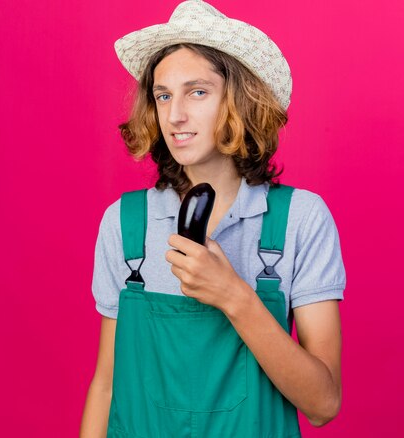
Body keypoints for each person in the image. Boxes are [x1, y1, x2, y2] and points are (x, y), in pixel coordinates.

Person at [80, 1, 346, 437]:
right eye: (163, 95)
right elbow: (107, 386)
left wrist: (233, 296)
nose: (175, 115)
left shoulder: (300, 218)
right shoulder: (126, 224)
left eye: (197, 92)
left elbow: (322, 404)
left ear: (240, 101)